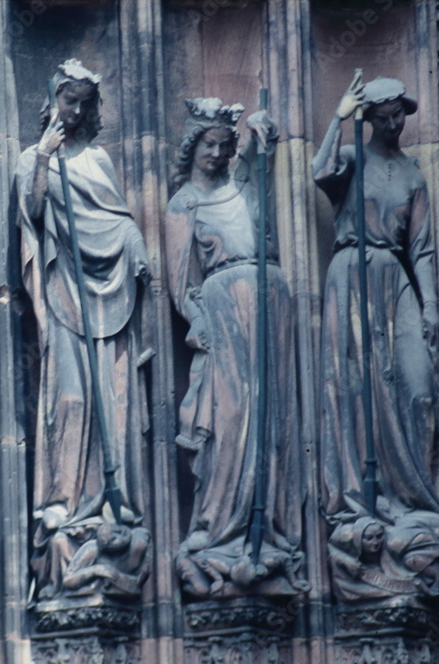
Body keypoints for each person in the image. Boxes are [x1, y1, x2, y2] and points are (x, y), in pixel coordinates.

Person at [313, 73, 439, 598]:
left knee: (418, 387)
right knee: (356, 388)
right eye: (385, 115)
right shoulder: (354, 155)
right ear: (371, 117)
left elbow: (420, 248)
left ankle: (412, 495)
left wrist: (430, 307)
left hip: (393, 277)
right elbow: (319, 171)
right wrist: (339, 117)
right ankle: (365, 500)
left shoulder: (413, 174)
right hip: (350, 273)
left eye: (401, 113)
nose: (395, 122)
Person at [16, 59, 151, 600]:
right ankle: (64, 505)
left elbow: (116, 218)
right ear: (53, 101)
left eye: (83, 103)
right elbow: (29, 208)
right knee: (70, 399)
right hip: (63, 293)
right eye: (68, 99)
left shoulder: (98, 159)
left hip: (108, 294)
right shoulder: (34, 157)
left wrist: (135, 240)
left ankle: (106, 501)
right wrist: (45, 158)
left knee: (111, 407)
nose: (75, 110)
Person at [164, 97, 307, 599]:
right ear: (193, 145)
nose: (218, 152)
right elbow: (180, 280)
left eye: (225, 145)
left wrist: (261, 139)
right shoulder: (184, 203)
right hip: (225, 308)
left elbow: (260, 171)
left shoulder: (243, 187)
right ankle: (220, 519)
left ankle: (268, 524)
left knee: (273, 417)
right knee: (234, 415)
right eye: (209, 144)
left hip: (271, 305)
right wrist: (195, 319)